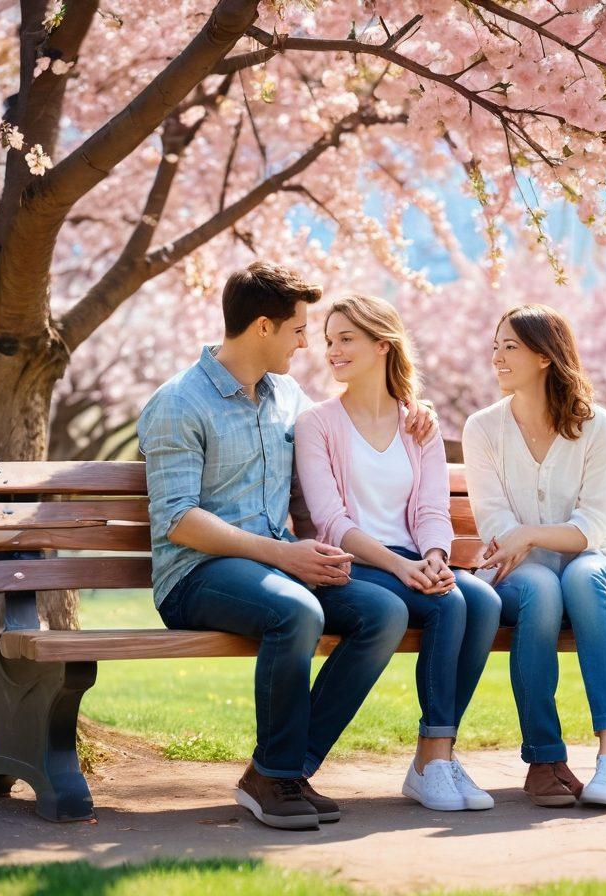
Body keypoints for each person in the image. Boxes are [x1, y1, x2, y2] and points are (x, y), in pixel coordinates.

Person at [137, 261, 438, 831]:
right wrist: (281, 553)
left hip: (279, 564)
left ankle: (285, 771)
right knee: (296, 611)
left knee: (384, 611)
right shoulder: (180, 402)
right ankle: (274, 775)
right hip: (196, 575)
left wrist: (410, 413)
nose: (307, 344)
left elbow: (344, 425)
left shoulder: (287, 395)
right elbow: (177, 519)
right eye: (299, 330)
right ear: (262, 328)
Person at [295, 295, 502, 812]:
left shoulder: (418, 424)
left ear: (381, 344)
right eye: (329, 340)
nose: (333, 351)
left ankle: (437, 758)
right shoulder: (317, 424)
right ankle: (433, 759)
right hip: (355, 564)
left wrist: (433, 554)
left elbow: (432, 507)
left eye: (346, 339)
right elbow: (332, 521)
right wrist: (400, 566)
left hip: (411, 558)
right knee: (450, 603)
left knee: (484, 601)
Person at [462, 303, 606, 809]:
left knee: (583, 579)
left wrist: (528, 535)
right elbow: (497, 528)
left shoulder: (595, 425)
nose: (496, 357)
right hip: (526, 579)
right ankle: (544, 759)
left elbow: (594, 529)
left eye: (510, 347)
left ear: (545, 356)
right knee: (544, 586)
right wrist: (521, 539)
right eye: (495, 345)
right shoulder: (482, 429)